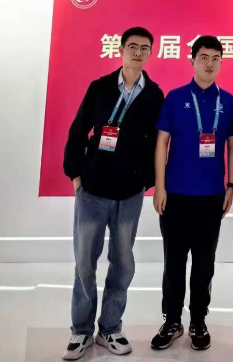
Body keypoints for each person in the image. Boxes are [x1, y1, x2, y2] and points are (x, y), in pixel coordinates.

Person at [62, 27, 164, 360]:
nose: (138, 52)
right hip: (92, 189)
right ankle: (81, 331)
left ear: (151, 53)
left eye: (145, 48)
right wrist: (76, 176)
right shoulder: (101, 87)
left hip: (129, 192)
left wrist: (146, 181)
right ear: (120, 50)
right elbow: (78, 130)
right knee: (85, 261)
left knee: (123, 263)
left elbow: (157, 142)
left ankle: (110, 328)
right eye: (132, 46)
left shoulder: (154, 95)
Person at [150, 35, 233, 352]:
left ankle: (198, 320)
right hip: (175, 195)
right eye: (204, 57)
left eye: (216, 58)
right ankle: (172, 320)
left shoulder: (227, 101)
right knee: (174, 262)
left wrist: (231, 186)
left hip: (211, 196)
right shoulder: (175, 97)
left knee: (204, 264)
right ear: (192, 61)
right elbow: (161, 142)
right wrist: (160, 186)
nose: (210, 63)